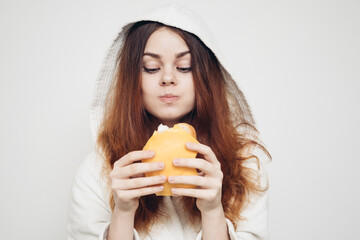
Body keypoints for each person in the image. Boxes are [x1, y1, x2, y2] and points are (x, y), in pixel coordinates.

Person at [67, 3, 271, 240]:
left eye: (184, 67)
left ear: (206, 75)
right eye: (151, 68)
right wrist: (123, 212)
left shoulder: (245, 164)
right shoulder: (97, 171)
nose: (167, 78)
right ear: (133, 78)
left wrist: (213, 210)